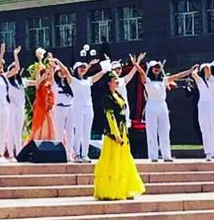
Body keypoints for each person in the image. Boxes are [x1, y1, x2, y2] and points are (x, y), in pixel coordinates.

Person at [93, 72, 146, 201]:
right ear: (108, 82)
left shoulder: (118, 95)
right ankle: (111, 190)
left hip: (123, 131)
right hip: (113, 134)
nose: (117, 82)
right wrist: (116, 134)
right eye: (114, 79)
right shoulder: (107, 98)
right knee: (113, 161)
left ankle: (124, 188)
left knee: (124, 160)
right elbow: (110, 116)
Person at [133, 58, 192, 162]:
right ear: (150, 69)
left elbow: (178, 76)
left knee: (165, 130)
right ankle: (153, 156)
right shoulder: (147, 80)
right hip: (151, 105)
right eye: (154, 67)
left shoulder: (164, 80)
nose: (157, 69)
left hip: (162, 105)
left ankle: (166, 155)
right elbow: (141, 73)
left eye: (158, 67)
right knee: (151, 131)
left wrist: (190, 70)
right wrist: (136, 64)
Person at [56, 58, 110, 162]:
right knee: (79, 131)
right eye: (80, 67)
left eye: (84, 67)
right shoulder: (73, 80)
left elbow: (98, 76)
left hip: (88, 107)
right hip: (77, 107)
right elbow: (65, 71)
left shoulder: (88, 80)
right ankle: (76, 154)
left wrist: (105, 69)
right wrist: (58, 61)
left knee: (87, 132)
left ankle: (85, 154)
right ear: (76, 69)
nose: (83, 68)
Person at [0, 43, 21, 163]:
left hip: (5, 105)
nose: (1, 67)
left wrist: (15, 55)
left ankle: (0, 153)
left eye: (2, 65)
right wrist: (1, 53)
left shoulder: (4, 77)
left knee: (3, 129)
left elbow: (17, 69)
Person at [28, 61, 56, 142]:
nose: (47, 76)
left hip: (48, 109)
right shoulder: (39, 84)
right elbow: (37, 81)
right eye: (46, 74)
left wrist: (51, 67)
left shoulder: (50, 84)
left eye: (48, 74)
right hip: (41, 108)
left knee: (50, 126)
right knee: (41, 125)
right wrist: (39, 63)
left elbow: (52, 78)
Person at [191, 63, 214, 160]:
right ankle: (209, 152)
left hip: (213, 105)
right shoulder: (200, 81)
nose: (207, 71)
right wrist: (196, 69)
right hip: (203, 105)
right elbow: (193, 74)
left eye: (209, 69)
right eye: (205, 69)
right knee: (205, 129)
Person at [52, 66, 74, 147]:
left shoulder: (69, 83)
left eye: (63, 71)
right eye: (59, 71)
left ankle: (69, 151)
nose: (62, 73)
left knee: (70, 131)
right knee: (58, 132)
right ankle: (58, 150)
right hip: (59, 108)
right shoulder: (55, 83)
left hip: (70, 108)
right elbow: (51, 74)